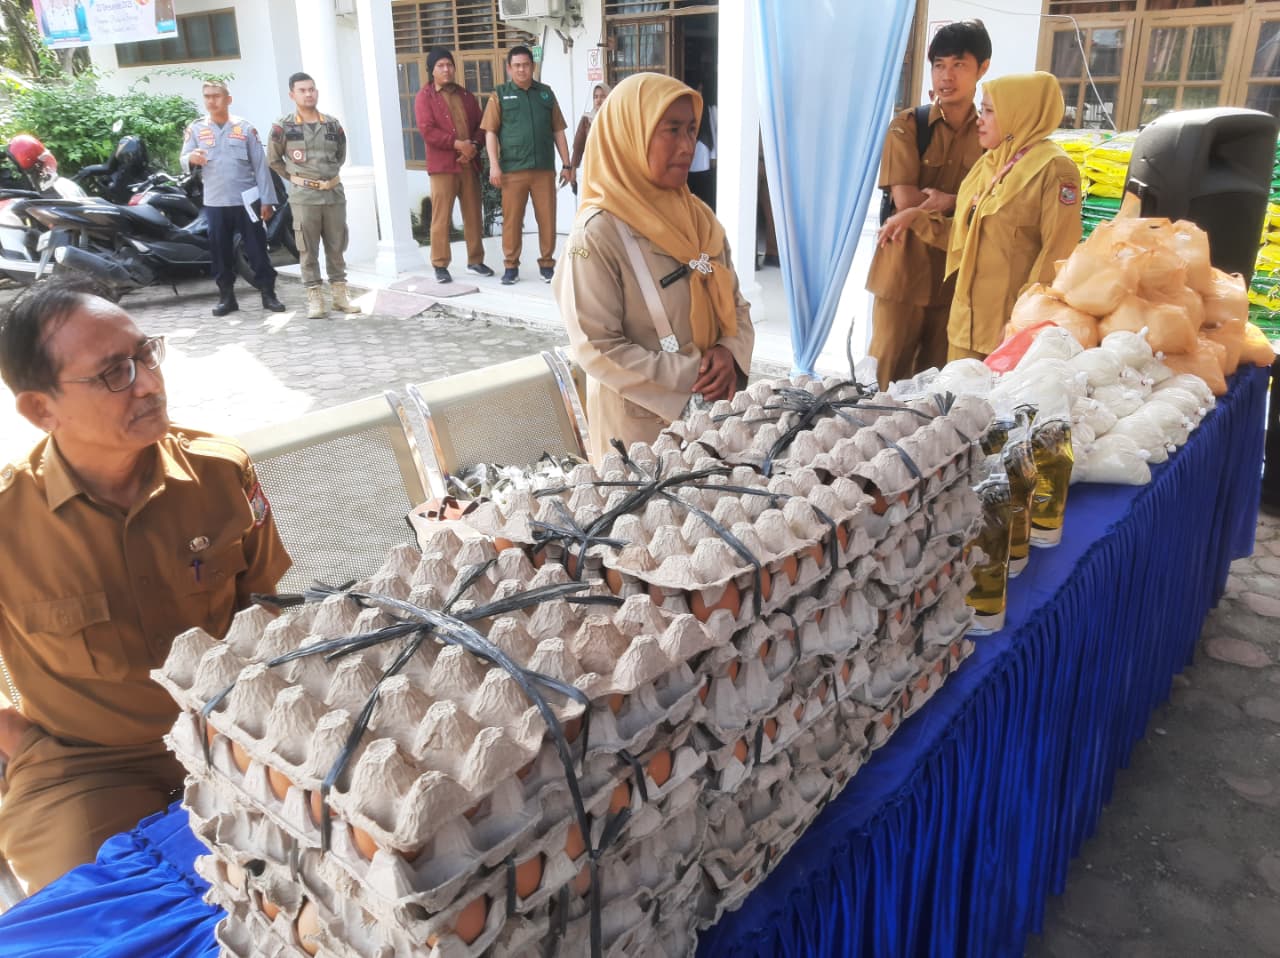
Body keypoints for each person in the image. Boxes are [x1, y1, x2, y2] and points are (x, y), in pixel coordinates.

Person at [0, 279, 291, 891]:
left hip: (235, 735)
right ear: (41, 410)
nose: (149, 383)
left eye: (146, 354)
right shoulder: (7, 520)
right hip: (88, 766)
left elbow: (267, 606)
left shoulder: (220, 472)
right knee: (104, 911)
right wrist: (18, 740)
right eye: (114, 373)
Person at [553, 72, 755, 464]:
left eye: (692, 129)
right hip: (640, 435)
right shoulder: (597, 234)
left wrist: (730, 353)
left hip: (713, 420)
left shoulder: (699, 219)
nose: (687, 145)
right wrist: (692, 374)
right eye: (672, 130)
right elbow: (596, 347)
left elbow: (737, 304)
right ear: (630, 133)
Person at [880, 71, 1083, 361]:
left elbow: (1056, 253)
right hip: (965, 324)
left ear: (1018, 114)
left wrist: (1024, 320)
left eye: (988, 111)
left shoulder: (1054, 170)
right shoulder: (989, 164)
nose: (979, 120)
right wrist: (916, 218)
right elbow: (967, 237)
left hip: (1009, 331)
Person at [865, 19, 990, 389]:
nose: (946, 76)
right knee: (885, 379)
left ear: (982, 68)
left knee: (937, 383)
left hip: (954, 281)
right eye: (939, 65)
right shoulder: (908, 126)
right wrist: (964, 203)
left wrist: (948, 199)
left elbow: (992, 203)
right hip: (901, 275)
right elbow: (905, 199)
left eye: (959, 65)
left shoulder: (988, 134)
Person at [181, 81, 285, 317]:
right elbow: (183, 158)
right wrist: (191, 159)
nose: (211, 101)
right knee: (220, 252)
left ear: (228, 99)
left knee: (257, 249)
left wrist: (267, 200)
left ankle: (268, 293)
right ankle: (227, 297)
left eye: (216, 96)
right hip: (215, 203)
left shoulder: (245, 128)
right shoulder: (196, 129)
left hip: (246, 202)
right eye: (207, 96)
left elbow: (260, 167)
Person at [267, 72, 361, 319]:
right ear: (292, 95)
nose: (308, 94)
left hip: (333, 195)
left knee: (336, 246)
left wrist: (326, 177)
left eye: (311, 89)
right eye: (302, 90)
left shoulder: (332, 124)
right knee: (308, 249)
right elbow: (274, 160)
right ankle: (315, 298)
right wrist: (298, 179)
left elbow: (340, 155)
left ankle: (340, 296)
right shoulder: (283, 126)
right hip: (304, 198)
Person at [482, 45, 575, 285]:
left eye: (526, 65)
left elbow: (558, 131)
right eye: (517, 66)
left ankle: (547, 264)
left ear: (532, 66)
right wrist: (494, 165)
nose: (522, 69)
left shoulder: (545, 94)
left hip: (543, 169)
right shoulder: (500, 95)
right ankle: (511, 266)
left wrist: (567, 164)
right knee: (512, 221)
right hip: (512, 170)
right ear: (509, 68)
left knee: (547, 219)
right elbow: (490, 132)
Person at [414, 47, 492, 285]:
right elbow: (428, 131)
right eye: (441, 66)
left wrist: (474, 146)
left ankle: (475, 260)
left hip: (469, 164)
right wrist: (458, 145)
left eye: (449, 65)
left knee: (473, 214)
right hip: (443, 168)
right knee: (441, 217)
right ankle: (440, 264)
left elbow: (481, 124)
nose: (446, 69)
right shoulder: (424, 97)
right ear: (432, 70)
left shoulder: (466, 95)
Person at [569, 81, 611, 196]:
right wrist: (573, 171)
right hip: (592, 168)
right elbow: (578, 147)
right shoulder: (587, 120)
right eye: (595, 97)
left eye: (602, 96)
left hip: (611, 170)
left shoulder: (615, 118)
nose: (598, 100)